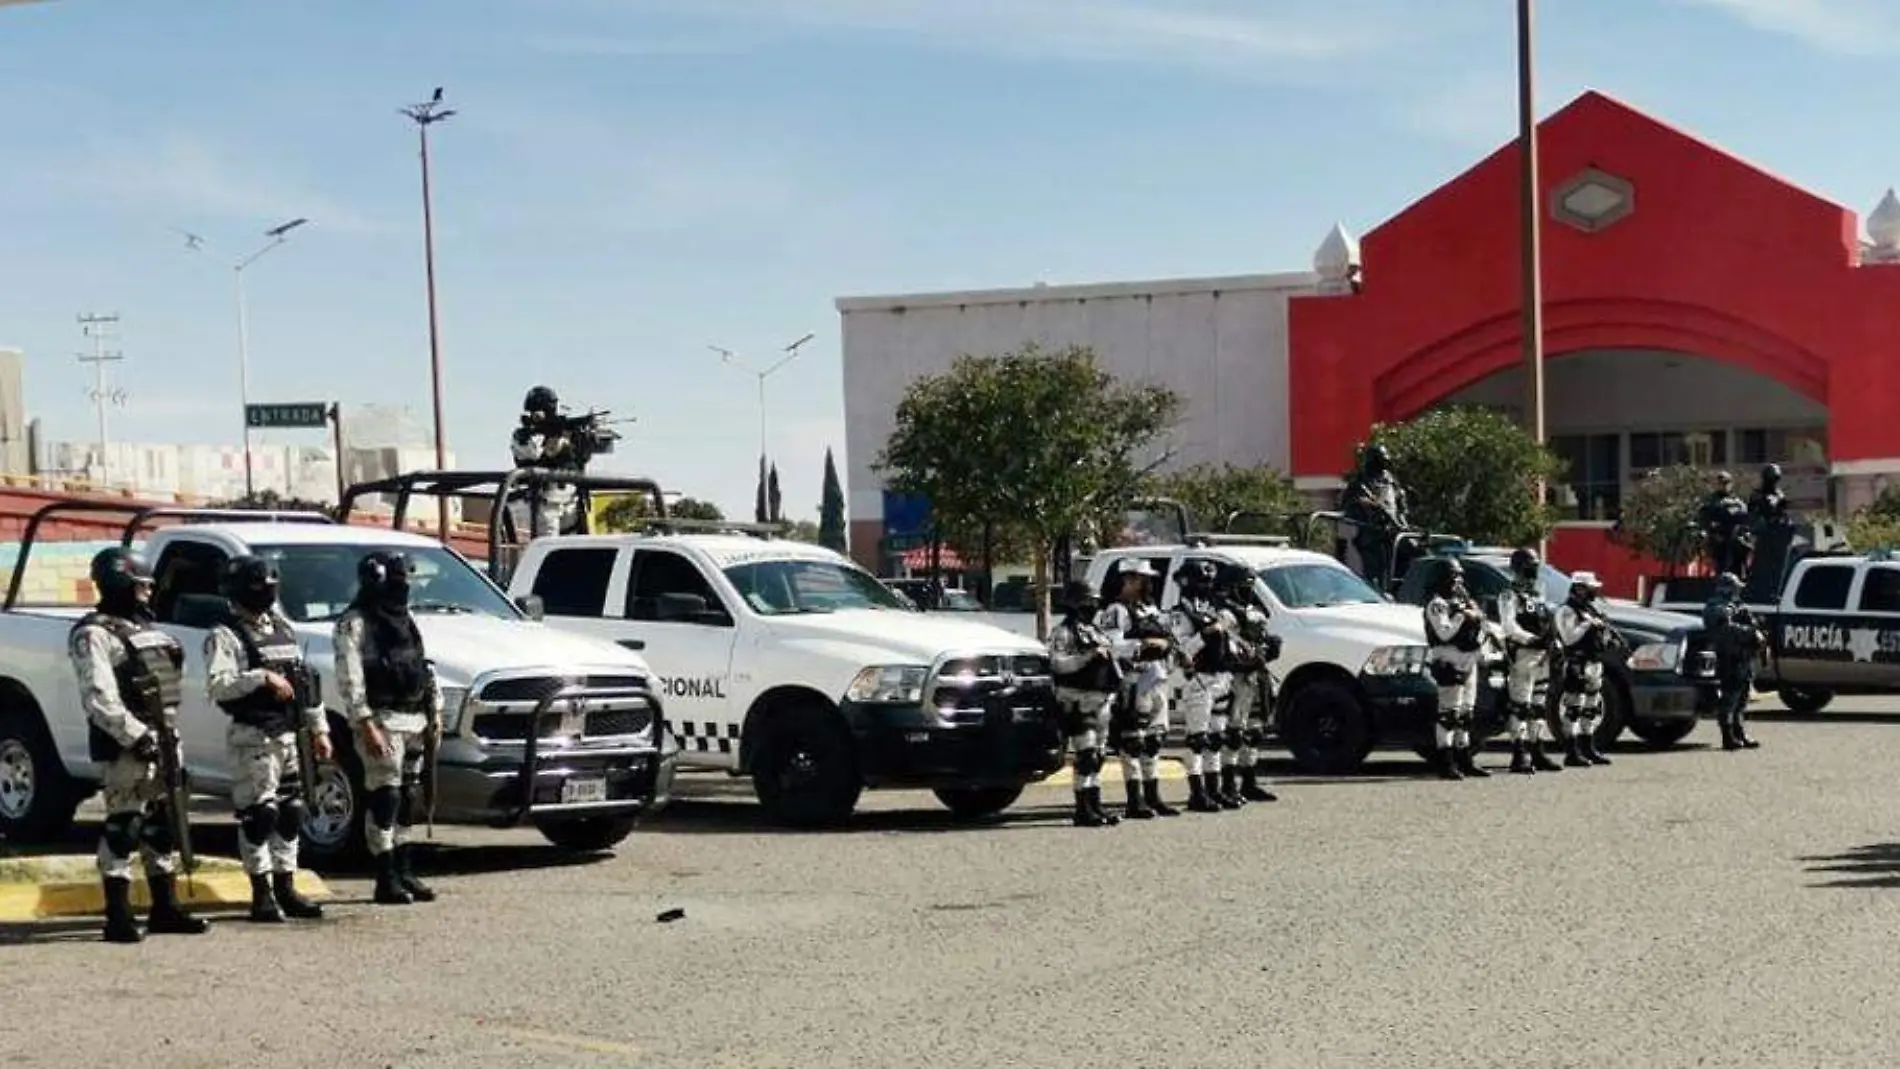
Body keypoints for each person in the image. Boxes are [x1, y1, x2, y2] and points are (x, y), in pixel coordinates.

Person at [71, 547, 210, 943]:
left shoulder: (149, 630)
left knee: (162, 826)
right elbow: (99, 698)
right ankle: (117, 915)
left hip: (164, 736)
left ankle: (165, 907)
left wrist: (164, 738)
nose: (148, 594)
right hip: (128, 745)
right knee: (125, 826)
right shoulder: (94, 634)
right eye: (141, 587)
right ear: (121, 584)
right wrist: (136, 736)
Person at [205, 554, 333, 922]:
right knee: (259, 815)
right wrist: (260, 678)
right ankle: (261, 893)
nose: (267, 591)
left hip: (289, 735)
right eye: (259, 585)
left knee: (292, 812)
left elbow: (304, 684)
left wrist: (319, 728)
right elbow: (219, 687)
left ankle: (286, 886)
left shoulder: (281, 628)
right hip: (253, 737)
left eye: (271, 584)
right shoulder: (225, 635)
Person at [334, 550, 445, 905]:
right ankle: (385, 876)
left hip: (415, 718)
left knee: (408, 797)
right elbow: (350, 680)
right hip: (382, 721)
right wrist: (365, 723)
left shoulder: (405, 619)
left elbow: (421, 664)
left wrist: (435, 710)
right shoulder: (354, 623)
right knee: (385, 797)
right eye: (397, 582)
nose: (404, 589)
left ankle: (405, 868)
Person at [1096, 560, 1179, 820]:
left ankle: (1153, 796)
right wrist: (1143, 644)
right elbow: (1112, 645)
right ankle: (1134, 799)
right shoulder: (1116, 610)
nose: (1146, 584)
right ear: (1128, 580)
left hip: (1158, 679)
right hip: (1134, 679)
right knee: (1133, 741)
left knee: (1154, 740)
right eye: (1141, 579)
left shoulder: (1150, 609)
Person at [1047, 580, 1122, 828]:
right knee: (1086, 755)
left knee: (1099, 755)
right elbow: (1058, 664)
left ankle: (1095, 805)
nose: (1092, 606)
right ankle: (1082, 809)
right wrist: (1088, 656)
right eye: (1087, 602)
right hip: (1075, 699)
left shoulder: (1096, 631)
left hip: (1100, 699)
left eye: (1094, 602)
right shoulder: (1063, 632)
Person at [1170, 560, 1239, 811]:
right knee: (1197, 739)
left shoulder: (1212, 610)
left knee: (1216, 738)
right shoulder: (1181, 613)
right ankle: (1197, 792)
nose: (1207, 587)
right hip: (1199, 678)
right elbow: (1181, 649)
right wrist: (1206, 634)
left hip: (1221, 677)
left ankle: (1214, 789)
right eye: (1202, 581)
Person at [1215, 564, 1280, 802]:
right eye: (1244, 585)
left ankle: (1249, 783)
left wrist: (1269, 648)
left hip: (1256, 676)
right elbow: (1226, 647)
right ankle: (1228, 785)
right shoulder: (1224, 613)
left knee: (1254, 731)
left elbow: (1261, 639)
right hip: (1236, 677)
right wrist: (1245, 660)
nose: (1249, 589)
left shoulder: (1253, 610)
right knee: (1234, 731)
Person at [1495, 548, 1563, 775]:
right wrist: (1532, 639)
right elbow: (1509, 626)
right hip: (1523, 653)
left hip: (1542, 654)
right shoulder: (1508, 594)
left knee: (1539, 706)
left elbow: (1546, 619)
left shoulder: (1537, 593)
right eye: (1530, 564)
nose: (1534, 569)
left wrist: (1554, 641)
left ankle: (1537, 749)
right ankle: (1519, 752)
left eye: (1535, 564)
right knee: (1521, 706)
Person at [1423, 558, 1490, 780]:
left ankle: (1465, 758)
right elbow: (1444, 633)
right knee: (1448, 715)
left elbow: (1483, 623)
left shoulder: (1463, 600)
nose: (1458, 581)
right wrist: (1463, 616)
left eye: (1460, 576)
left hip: (1469, 658)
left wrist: (1476, 615)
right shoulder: (1437, 604)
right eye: (1454, 576)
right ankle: (1446, 761)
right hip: (1449, 657)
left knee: (1466, 713)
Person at [1553, 572, 1616, 768]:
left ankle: (1588, 746)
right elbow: (1569, 637)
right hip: (1576, 663)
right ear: (1580, 588)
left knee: (1592, 707)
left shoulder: (1590, 609)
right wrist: (1587, 624)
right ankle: (1572, 751)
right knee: (1574, 707)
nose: (1594, 592)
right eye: (1591, 588)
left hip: (1594, 662)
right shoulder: (1567, 611)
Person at [1704, 572, 1765, 751]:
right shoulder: (1715, 607)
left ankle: (1740, 732)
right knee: (1730, 699)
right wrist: (1749, 632)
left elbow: (1750, 622)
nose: (1737, 592)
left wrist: (1755, 629)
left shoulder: (1737, 606)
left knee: (1742, 699)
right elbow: (1724, 629)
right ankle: (1727, 735)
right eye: (1735, 588)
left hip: (1743, 657)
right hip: (1729, 658)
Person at [509, 384, 580, 538]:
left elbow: (577, 458)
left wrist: (567, 438)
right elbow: (536, 454)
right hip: (544, 502)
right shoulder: (522, 436)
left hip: (570, 500)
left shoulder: (561, 431)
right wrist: (552, 437)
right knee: (549, 547)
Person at [1340, 443, 1411, 592]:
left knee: (1399, 567)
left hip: (1393, 533)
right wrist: (1369, 505)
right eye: (1379, 460)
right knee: (1373, 574)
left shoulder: (1391, 481)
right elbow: (1348, 504)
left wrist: (1402, 521)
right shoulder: (1360, 483)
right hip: (1370, 535)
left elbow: (1399, 503)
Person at [1698, 471, 1751, 577]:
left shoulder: (1737, 502)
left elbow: (1746, 519)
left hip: (1736, 541)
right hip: (1720, 542)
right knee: (1722, 571)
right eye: (1721, 483)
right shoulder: (1712, 501)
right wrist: (1712, 534)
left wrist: (1745, 534)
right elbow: (1703, 520)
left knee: (1740, 568)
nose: (1724, 486)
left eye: (1726, 483)